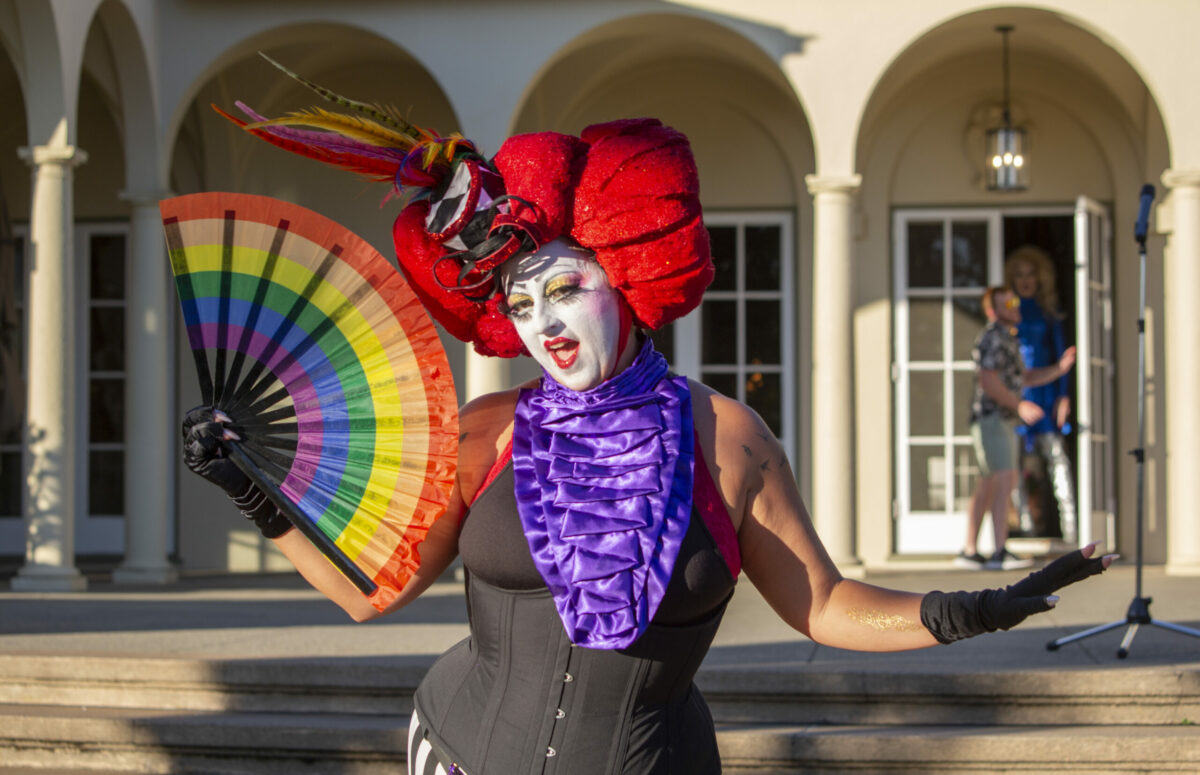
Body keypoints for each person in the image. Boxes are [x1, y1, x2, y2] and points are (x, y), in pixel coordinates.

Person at [185, 82, 1114, 775]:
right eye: (521, 299)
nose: (545, 321)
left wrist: (974, 610)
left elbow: (823, 605)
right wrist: (250, 488)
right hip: (461, 750)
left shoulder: (725, 438)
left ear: (625, 278)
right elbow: (370, 594)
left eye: (565, 286)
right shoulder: (488, 431)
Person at [956, 286, 1077, 572]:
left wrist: (1058, 370)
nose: (1014, 306)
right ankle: (999, 550)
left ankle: (969, 550)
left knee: (988, 483)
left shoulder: (1008, 338)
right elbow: (989, 381)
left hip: (997, 419)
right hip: (993, 418)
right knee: (1004, 478)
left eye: (1014, 301)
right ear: (992, 311)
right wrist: (1019, 405)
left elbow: (1021, 377)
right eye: (1006, 303)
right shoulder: (992, 337)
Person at [1006, 246, 1077, 544]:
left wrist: (1064, 395)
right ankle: (1026, 527)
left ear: (1040, 278)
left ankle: (1071, 527)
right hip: (1017, 395)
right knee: (1016, 463)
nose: (1025, 281)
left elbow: (1063, 358)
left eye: (1031, 275)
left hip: (1046, 392)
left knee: (1057, 458)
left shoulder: (1049, 312)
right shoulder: (1008, 312)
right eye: (1019, 275)